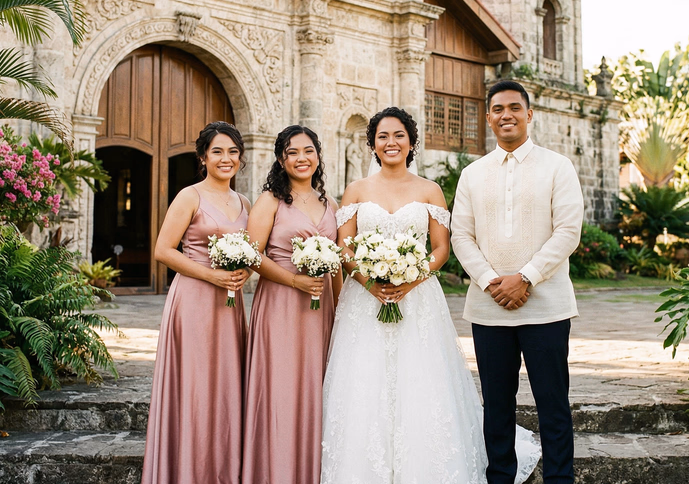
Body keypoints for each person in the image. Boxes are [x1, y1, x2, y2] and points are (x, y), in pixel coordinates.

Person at [321, 107, 540, 484]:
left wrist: (411, 277)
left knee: (421, 382)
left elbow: (440, 248)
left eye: (398, 135)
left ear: (411, 142)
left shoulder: (429, 190)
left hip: (418, 299)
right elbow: (344, 248)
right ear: (373, 144)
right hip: (364, 301)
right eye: (383, 136)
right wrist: (370, 283)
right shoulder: (356, 190)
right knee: (363, 383)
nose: (391, 142)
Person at [451, 80, 584, 484]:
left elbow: (568, 230)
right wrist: (494, 281)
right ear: (488, 117)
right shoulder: (473, 174)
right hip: (489, 310)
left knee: (553, 404)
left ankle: (559, 479)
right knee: (496, 407)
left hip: (547, 306)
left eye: (514, 108)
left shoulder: (557, 166)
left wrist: (526, 277)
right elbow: (461, 235)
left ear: (529, 114)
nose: (505, 115)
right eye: (497, 109)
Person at [142, 121, 251, 484]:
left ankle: (220, 468)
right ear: (203, 157)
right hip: (194, 301)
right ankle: (188, 470)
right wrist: (211, 275)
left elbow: (252, 254)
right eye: (218, 151)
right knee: (195, 387)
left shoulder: (245, 202)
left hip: (231, 305)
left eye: (233, 152)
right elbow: (162, 250)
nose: (226, 158)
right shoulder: (190, 196)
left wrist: (242, 274)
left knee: (226, 387)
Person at [243, 125, 341, 484]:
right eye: (292, 152)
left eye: (308, 151)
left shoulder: (331, 204)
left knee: (319, 386)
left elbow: (341, 262)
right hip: (281, 304)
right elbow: (252, 256)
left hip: (322, 308)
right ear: (281, 160)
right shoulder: (270, 200)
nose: (302, 158)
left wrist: (343, 307)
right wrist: (296, 280)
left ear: (318, 155)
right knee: (282, 387)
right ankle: (276, 470)